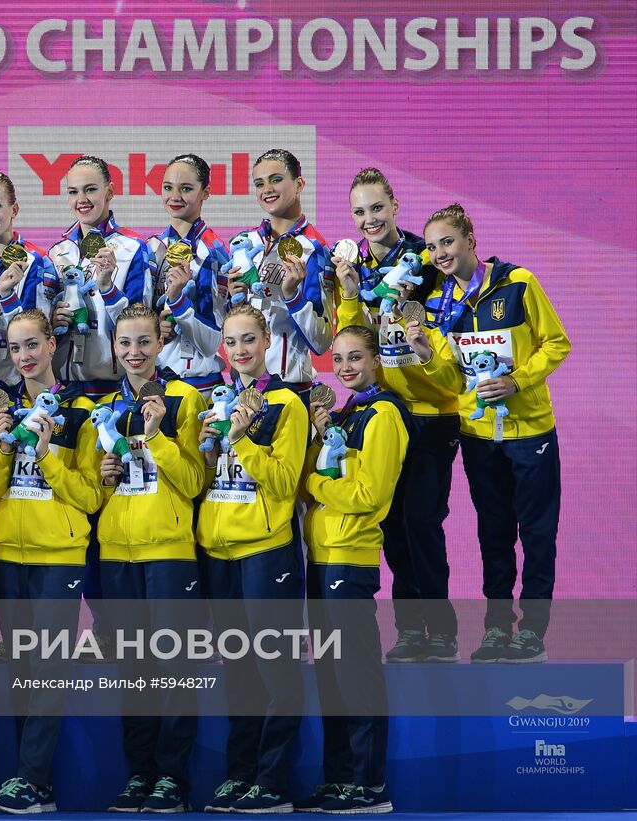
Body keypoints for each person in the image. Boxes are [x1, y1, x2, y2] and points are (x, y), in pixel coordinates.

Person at [406, 203, 569, 663]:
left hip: (531, 430)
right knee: (493, 534)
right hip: (478, 434)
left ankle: (532, 631)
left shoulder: (518, 283)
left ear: (470, 241)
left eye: (447, 242)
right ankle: (497, 628)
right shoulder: (439, 304)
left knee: (537, 534)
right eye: (432, 245)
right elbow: (449, 376)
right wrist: (423, 350)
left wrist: (517, 381)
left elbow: (557, 342)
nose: (439, 252)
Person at [333, 168, 459, 663]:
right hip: (387, 414)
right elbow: (351, 343)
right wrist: (347, 292)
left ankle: (442, 631)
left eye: (377, 208)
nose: (369, 219)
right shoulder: (354, 267)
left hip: (432, 412)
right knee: (391, 525)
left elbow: (449, 324)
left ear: (395, 205)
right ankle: (409, 630)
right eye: (360, 212)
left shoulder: (428, 261)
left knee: (422, 522)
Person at [0, 309, 100, 814]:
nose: (24, 357)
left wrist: (49, 453)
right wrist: (1, 446)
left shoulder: (83, 411)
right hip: (8, 551)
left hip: (60, 554)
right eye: (15, 349)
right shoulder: (2, 409)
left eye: (32, 345)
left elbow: (90, 496)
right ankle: (32, 782)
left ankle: (30, 780)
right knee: (21, 670)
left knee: (48, 667)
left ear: (52, 345)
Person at [94, 304, 206, 813]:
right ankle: (139, 774)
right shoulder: (102, 406)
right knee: (133, 673)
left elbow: (194, 481)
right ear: (113, 348)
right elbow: (97, 487)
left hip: (169, 553)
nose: (134, 353)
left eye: (143, 343)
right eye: (124, 344)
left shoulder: (186, 398)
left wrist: (157, 438)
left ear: (160, 344)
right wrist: (105, 476)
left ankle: (172, 779)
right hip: (117, 552)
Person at [197, 304, 309, 813]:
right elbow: (206, 482)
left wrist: (241, 443)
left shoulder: (287, 404)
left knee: (276, 672)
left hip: (268, 552)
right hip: (220, 551)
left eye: (249, 340)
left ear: (267, 342)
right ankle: (240, 776)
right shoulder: (213, 403)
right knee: (240, 675)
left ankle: (273, 783)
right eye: (231, 341)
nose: (240, 350)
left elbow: (287, 483)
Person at [296, 325, 407, 815]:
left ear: (377, 359)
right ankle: (340, 779)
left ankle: (369, 784)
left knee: (356, 673)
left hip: (350, 557)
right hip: (321, 556)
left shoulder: (382, 414)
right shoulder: (347, 413)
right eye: (338, 358)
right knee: (331, 676)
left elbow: (370, 496)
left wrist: (315, 486)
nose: (344, 367)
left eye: (355, 357)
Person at [44, 155, 154, 397]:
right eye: (73, 192)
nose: (81, 200)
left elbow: (142, 322)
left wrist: (108, 289)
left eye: (90, 190)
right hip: (63, 390)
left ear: (110, 191)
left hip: (112, 389)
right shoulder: (56, 252)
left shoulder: (133, 248)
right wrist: (52, 320)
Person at [225, 149, 333, 391]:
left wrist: (293, 298)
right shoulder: (244, 243)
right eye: (259, 183)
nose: (267, 189)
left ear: (299, 184)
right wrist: (233, 302)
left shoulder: (313, 248)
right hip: (242, 387)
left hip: (289, 388)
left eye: (276, 179)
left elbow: (322, 341)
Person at [146, 154, 230, 396]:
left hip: (200, 388)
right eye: (168, 187)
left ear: (206, 192)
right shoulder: (150, 249)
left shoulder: (214, 253)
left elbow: (212, 342)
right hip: (157, 386)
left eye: (186, 189)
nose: (174, 196)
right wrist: (154, 328)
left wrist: (179, 304)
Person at [0, 170, 54, 387]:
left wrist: (7, 297)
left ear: (14, 209)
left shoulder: (37, 262)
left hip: (18, 386)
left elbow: (40, 330)